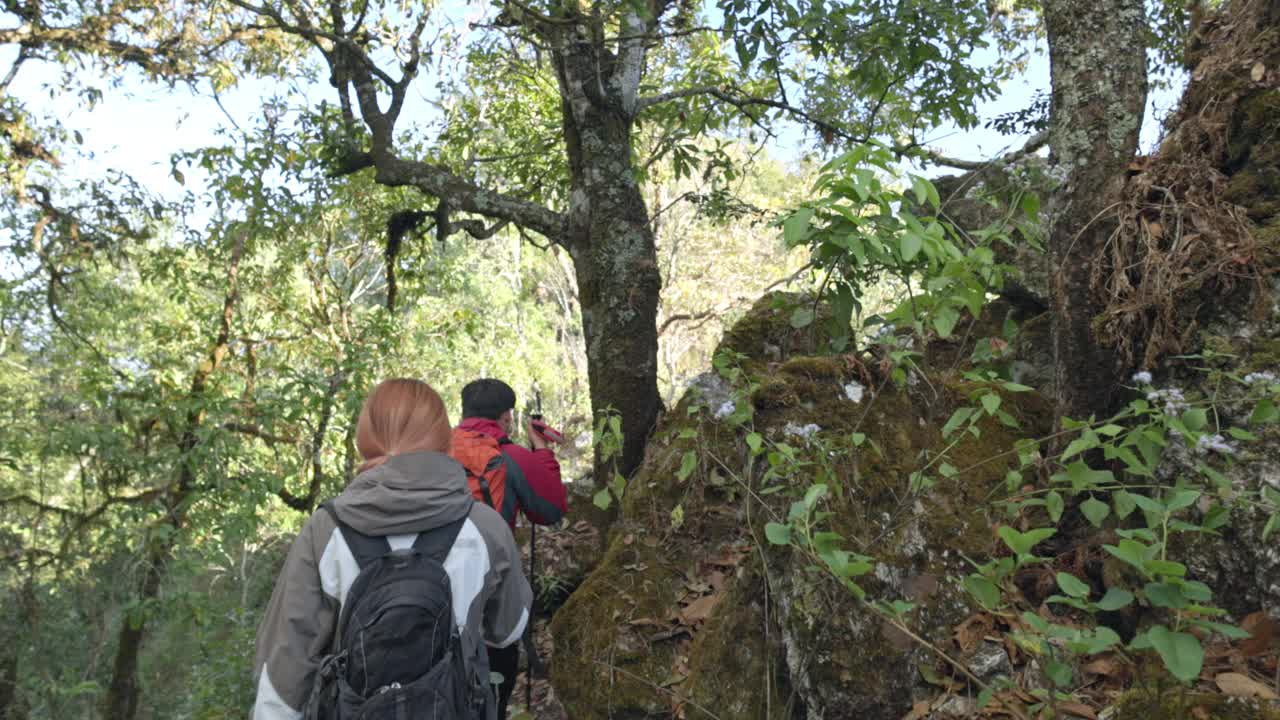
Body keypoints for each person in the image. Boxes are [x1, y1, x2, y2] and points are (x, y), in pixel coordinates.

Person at [251, 378, 531, 720]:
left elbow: (284, 668)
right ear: (445, 440)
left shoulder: (326, 529)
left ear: (365, 438)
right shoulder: (484, 527)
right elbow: (509, 629)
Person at [451, 378, 567, 719]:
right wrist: (542, 451)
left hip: (428, 594)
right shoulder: (510, 457)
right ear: (506, 418)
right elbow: (551, 509)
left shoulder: (432, 452)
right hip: (489, 603)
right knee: (491, 692)